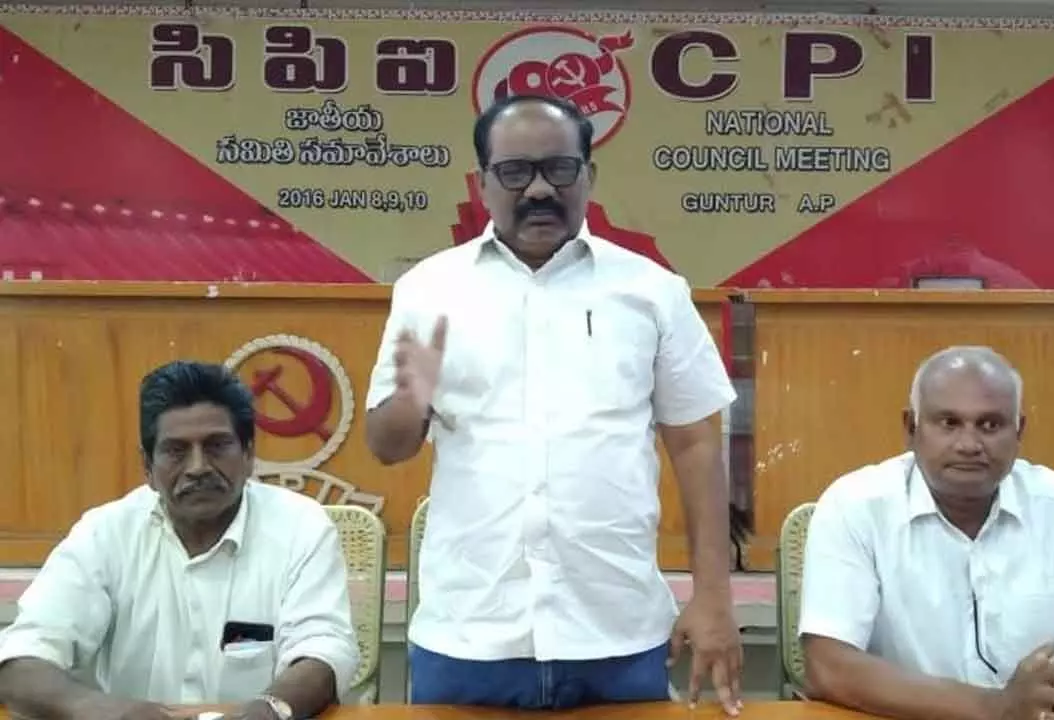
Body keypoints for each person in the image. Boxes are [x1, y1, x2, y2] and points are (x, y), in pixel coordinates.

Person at [364, 94, 742, 713]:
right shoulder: (430, 290)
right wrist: (414, 398)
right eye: (515, 172)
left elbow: (696, 444)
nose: (538, 188)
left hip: (617, 632)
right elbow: (387, 446)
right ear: (482, 183)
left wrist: (714, 597)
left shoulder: (651, 291)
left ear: (588, 176)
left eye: (559, 169)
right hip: (470, 633)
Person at [799, 346, 1054, 720]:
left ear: (1019, 430)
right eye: (948, 423)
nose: (969, 445)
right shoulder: (855, 506)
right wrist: (995, 708)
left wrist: (1047, 708)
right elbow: (828, 666)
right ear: (911, 428)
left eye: (990, 425)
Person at [0, 361, 360, 720]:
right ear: (147, 468)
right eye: (176, 450)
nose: (198, 467)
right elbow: (20, 660)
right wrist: (107, 712)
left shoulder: (301, 526)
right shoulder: (104, 534)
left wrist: (268, 710)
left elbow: (323, 650)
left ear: (249, 455)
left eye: (217, 445)